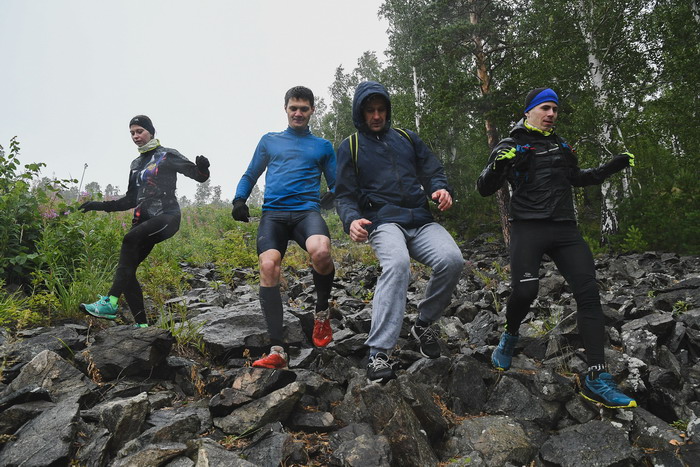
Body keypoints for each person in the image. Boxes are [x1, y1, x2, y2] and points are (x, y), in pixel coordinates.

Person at [477, 87, 637, 408]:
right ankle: (508, 339)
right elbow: (484, 186)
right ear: (529, 111)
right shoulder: (511, 144)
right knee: (525, 292)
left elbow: (577, 178)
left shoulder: (561, 145)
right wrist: (497, 167)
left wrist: (610, 167)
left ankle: (596, 377)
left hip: (565, 229)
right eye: (545, 108)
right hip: (528, 228)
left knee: (589, 294)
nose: (551, 114)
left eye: (555, 109)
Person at [335, 81, 465, 384]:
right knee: (397, 264)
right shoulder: (350, 146)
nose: (377, 116)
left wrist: (441, 189)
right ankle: (378, 353)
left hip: (420, 219)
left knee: (453, 259)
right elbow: (343, 194)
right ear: (360, 113)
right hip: (383, 221)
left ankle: (423, 323)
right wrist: (352, 219)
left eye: (381, 110)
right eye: (370, 111)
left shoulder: (407, 138)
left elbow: (433, 171)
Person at [231, 86, 337, 369]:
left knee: (322, 252)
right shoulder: (270, 141)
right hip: (274, 215)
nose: (298, 113)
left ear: (313, 110)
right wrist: (239, 199)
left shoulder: (323, 146)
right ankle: (277, 349)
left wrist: (335, 192)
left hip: (306, 213)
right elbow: (251, 172)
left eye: (304, 108)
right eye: (294, 108)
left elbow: (337, 181)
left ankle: (322, 312)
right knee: (268, 266)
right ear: (286, 109)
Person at [79, 115, 210, 327]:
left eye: (139, 131)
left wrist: (203, 169)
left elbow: (197, 175)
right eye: (132, 133)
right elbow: (130, 200)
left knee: (129, 239)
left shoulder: (166, 155)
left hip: (166, 217)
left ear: (150, 131)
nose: (135, 136)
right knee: (127, 272)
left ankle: (110, 302)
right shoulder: (136, 164)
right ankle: (142, 327)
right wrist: (100, 205)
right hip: (142, 221)